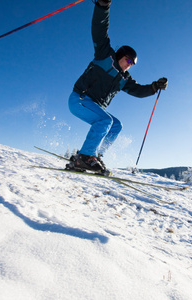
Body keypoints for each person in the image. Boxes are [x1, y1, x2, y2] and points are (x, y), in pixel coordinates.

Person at [67, 0, 168, 174]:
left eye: (132, 64)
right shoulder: (105, 56)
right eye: (128, 60)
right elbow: (99, 30)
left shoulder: (124, 79)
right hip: (80, 99)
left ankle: (95, 155)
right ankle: (85, 157)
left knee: (116, 125)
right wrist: (103, 6)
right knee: (105, 121)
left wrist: (154, 87)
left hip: (94, 107)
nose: (129, 65)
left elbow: (138, 90)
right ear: (121, 55)